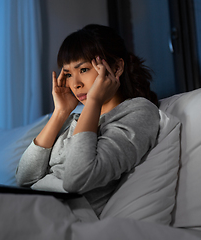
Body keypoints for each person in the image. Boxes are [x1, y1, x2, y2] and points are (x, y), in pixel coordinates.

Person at [16, 24, 160, 217]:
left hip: (62, 215)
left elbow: (77, 179)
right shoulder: (77, 117)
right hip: (34, 205)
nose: (75, 83)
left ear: (116, 68)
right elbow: (24, 178)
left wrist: (93, 101)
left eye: (83, 69)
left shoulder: (139, 111)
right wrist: (60, 112)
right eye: (68, 74)